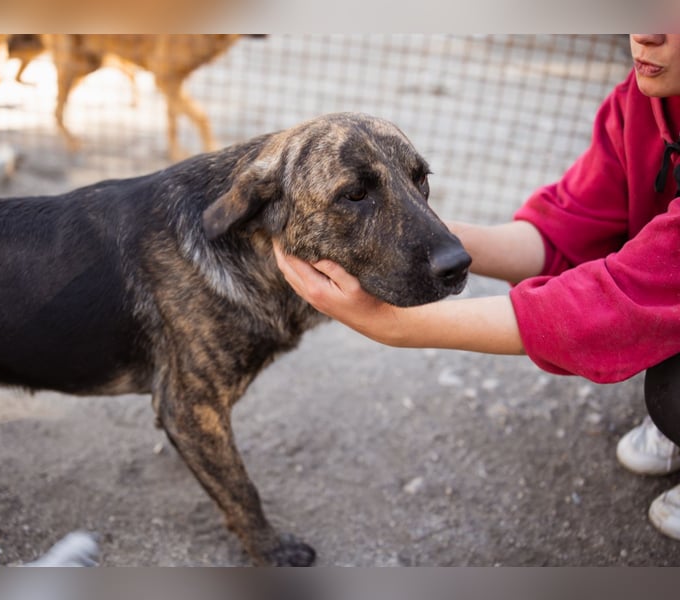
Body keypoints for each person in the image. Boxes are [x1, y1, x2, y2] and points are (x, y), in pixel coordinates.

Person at [273, 34, 680, 541]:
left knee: (672, 393)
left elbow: (624, 300)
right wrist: (421, 235)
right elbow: (571, 226)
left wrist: (393, 324)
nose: (648, 30)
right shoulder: (644, 100)